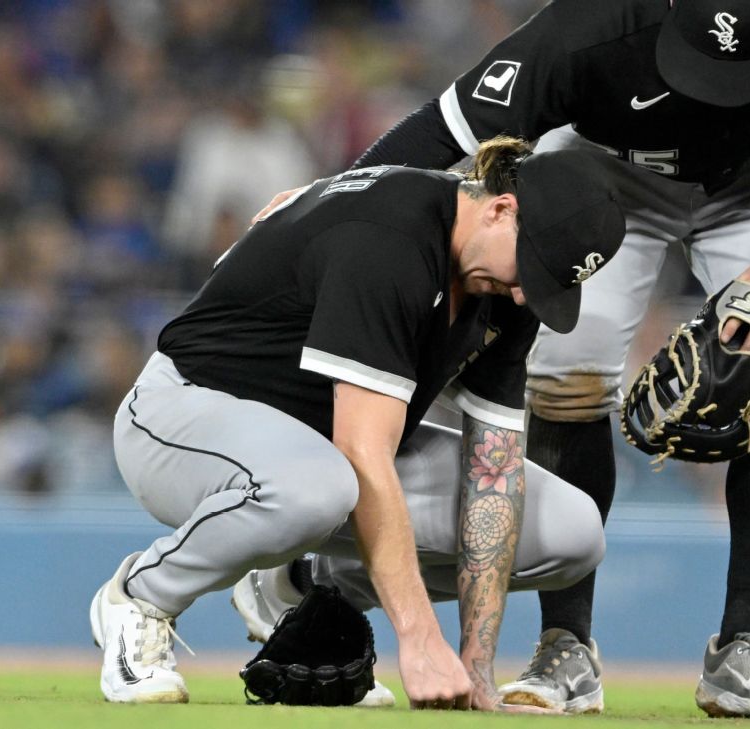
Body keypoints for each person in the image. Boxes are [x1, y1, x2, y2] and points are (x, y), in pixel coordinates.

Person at [283, 0, 750, 720]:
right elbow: (444, 129)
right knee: (566, 370)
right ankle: (566, 645)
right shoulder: (589, 24)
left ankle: (749, 641)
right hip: (606, 167)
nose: (708, 77)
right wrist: (319, 215)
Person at [88, 137, 626, 710]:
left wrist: (475, 666)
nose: (526, 291)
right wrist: (418, 639)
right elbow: (362, 450)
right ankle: (139, 599)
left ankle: (301, 585)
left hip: (319, 454)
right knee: (318, 487)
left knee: (571, 533)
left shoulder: (503, 283)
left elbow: (491, 475)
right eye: (534, 268)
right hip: (185, 416)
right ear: (500, 209)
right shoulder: (391, 235)